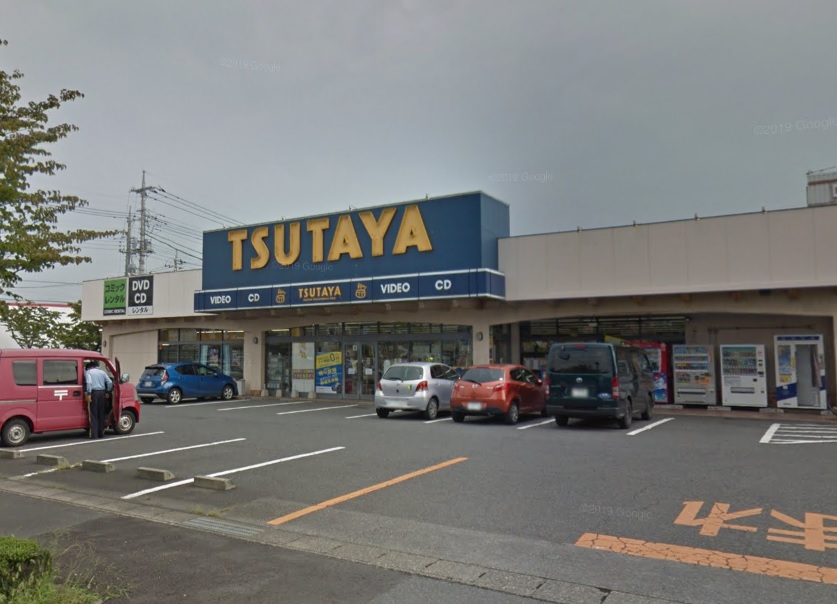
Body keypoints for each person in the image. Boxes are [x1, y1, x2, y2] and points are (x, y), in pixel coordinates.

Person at [85, 361, 113, 439]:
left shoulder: (88, 372)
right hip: (102, 393)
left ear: (89, 367)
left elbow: (89, 383)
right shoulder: (102, 372)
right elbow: (110, 382)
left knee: (93, 414)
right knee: (101, 413)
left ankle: (94, 435)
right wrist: (108, 391)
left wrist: (89, 392)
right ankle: (101, 433)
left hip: (94, 393)